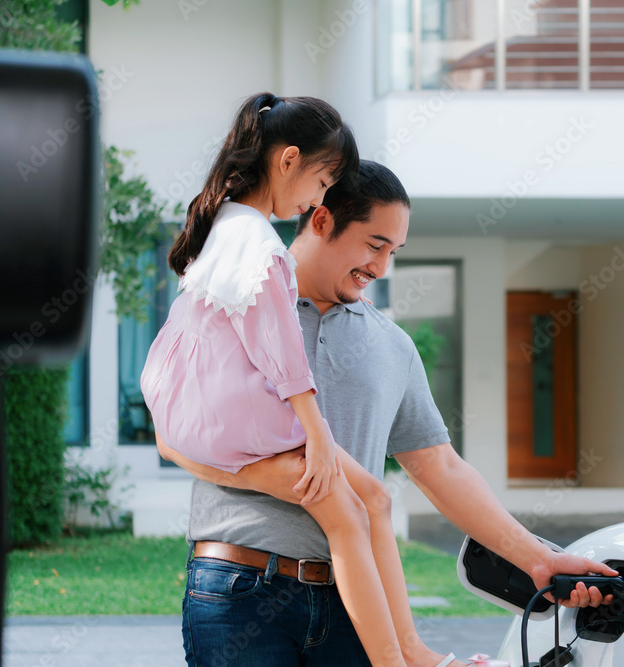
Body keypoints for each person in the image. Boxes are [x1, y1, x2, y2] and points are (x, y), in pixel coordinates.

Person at [156, 159, 619, 667]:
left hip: (356, 601)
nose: (381, 268)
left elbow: (440, 468)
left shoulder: (392, 347)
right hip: (238, 591)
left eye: (393, 252)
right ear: (321, 219)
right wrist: (276, 477)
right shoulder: (236, 305)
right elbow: (175, 430)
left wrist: (538, 558)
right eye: (375, 245)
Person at [141, 93, 430, 667]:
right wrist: (316, 434)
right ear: (288, 160)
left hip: (198, 406)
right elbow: (280, 353)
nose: (317, 198)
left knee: (372, 495)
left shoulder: (220, 225)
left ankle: (410, 651)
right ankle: (397, 661)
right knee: (346, 511)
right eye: (322, 182)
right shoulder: (259, 244)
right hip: (234, 413)